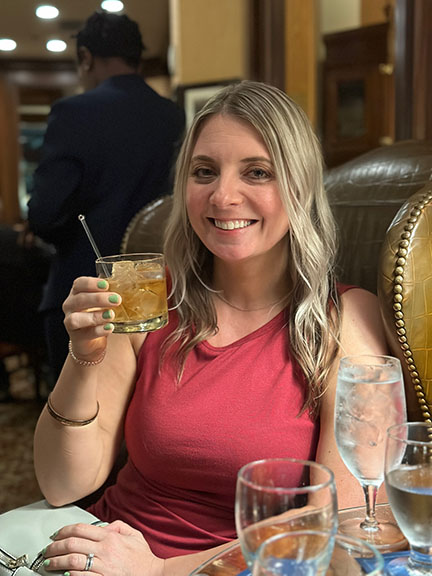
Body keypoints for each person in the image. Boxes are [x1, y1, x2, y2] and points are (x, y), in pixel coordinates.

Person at [33, 80, 389, 575]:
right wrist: (83, 357)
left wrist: (161, 571)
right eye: (204, 172)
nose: (222, 196)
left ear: (301, 187)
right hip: (101, 554)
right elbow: (61, 483)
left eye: (257, 172)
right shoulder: (147, 298)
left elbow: (341, 522)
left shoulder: (345, 319)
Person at [26, 10, 185, 383]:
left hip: (85, 294)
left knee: (78, 405)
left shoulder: (73, 112)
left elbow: (44, 215)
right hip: (156, 295)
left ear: (85, 58)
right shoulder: (172, 116)